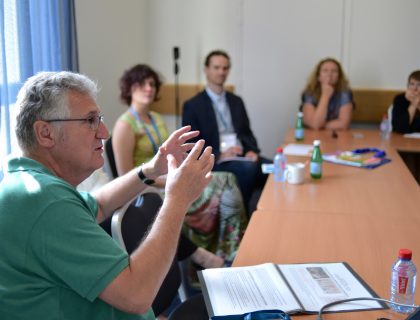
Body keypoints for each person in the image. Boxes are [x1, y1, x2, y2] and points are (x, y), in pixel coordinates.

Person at [0, 71, 214, 320]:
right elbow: (137, 295)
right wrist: (177, 199)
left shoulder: (29, 185)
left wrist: (151, 169)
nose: (104, 132)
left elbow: (100, 204)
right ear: (45, 133)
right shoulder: (45, 201)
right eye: (90, 120)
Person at [112, 64, 247, 265]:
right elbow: (126, 177)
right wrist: (166, 181)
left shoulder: (156, 118)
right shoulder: (125, 125)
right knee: (224, 184)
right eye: (142, 84)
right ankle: (224, 255)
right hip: (150, 188)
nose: (149, 88)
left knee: (228, 179)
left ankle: (230, 249)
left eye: (152, 84)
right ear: (129, 88)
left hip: (172, 179)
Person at [182, 50, 268, 213]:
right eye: (217, 67)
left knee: (273, 168)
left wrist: (251, 150)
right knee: (249, 171)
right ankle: (243, 219)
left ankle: (265, 215)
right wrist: (220, 154)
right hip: (216, 157)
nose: (221, 72)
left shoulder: (236, 101)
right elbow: (190, 144)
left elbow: (247, 133)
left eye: (225, 68)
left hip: (241, 154)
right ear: (206, 69)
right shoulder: (193, 105)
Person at [301, 57, 354, 130]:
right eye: (325, 71)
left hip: (336, 136)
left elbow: (343, 124)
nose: (329, 74)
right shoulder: (310, 92)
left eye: (334, 71)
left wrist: (319, 125)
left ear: (339, 76)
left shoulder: (345, 93)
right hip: (311, 136)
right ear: (319, 76)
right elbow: (315, 125)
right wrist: (325, 95)